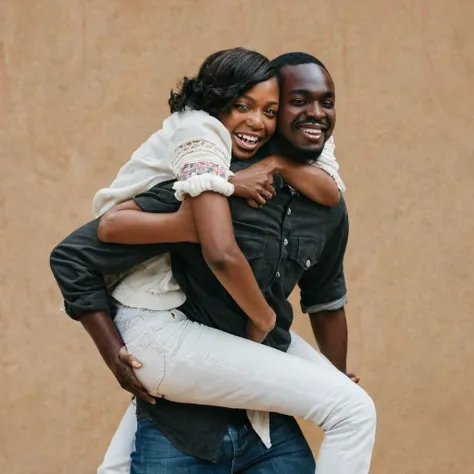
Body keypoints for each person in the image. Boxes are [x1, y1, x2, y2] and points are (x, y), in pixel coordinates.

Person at [50, 52, 376, 474]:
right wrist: (113, 351)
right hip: (159, 328)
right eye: (245, 106)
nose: (312, 113)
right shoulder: (206, 173)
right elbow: (100, 240)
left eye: (269, 110)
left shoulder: (315, 192)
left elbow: (326, 293)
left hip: (230, 348)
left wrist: (333, 374)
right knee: (353, 412)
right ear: (220, 104)